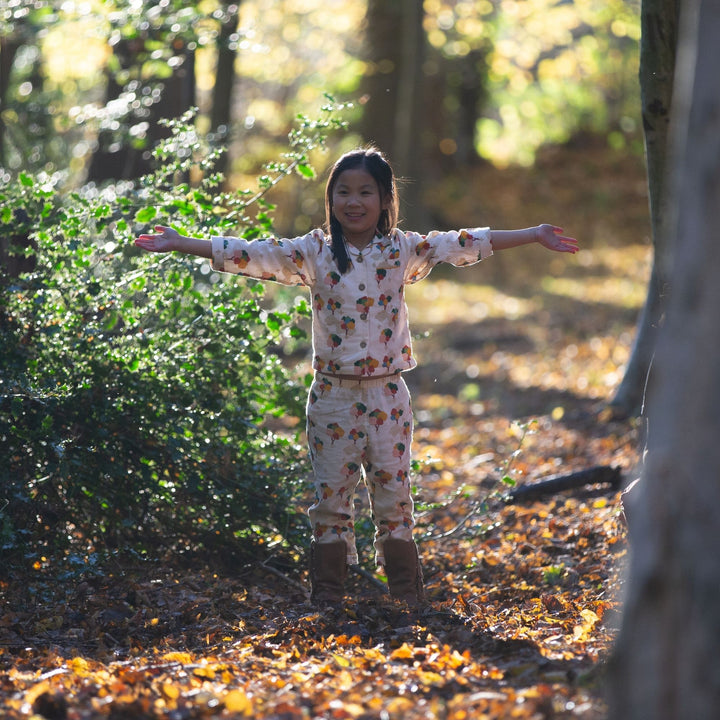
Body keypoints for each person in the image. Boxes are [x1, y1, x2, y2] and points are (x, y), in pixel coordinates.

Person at [135, 147, 578, 607]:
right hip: (331, 396)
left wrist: (533, 234)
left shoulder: (403, 249)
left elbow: (463, 242)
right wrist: (183, 242)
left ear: (385, 199)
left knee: (394, 498)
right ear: (331, 199)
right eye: (343, 191)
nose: (354, 201)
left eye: (366, 191)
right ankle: (329, 599)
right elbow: (256, 253)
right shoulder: (314, 252)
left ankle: (407, 598)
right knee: (331, 502)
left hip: (388, 395)